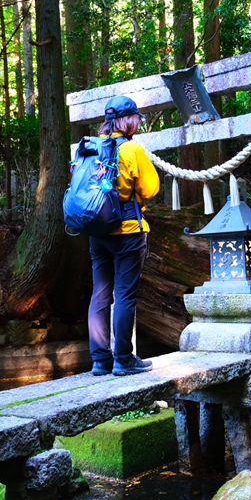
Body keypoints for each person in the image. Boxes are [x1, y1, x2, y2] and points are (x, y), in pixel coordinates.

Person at [87, 95, 161, 376]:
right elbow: (151, 189)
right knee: (125, 296)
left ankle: (99, 360)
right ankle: (123, 359)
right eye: (136, 119)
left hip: (97, 231)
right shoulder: (132, 149)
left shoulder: (92, 147)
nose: (137, 123)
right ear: (128, 120)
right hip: (127, 231)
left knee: (99, 295)